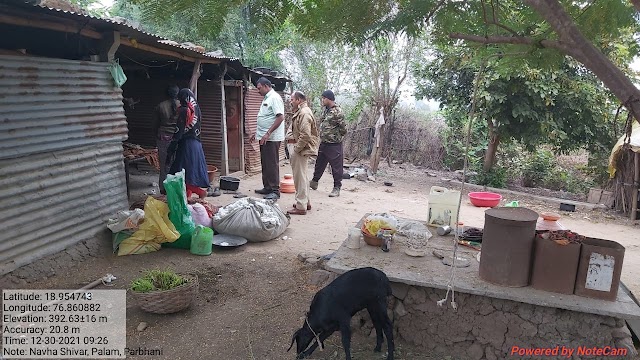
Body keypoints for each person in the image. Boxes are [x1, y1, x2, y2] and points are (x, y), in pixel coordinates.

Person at [167, 88, 209, 199]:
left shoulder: (184, 110)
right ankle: (190, 195)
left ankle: (198, 192)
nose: (179, 101)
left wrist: (172, 147)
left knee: (182, 172)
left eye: (179, 98)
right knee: (189, 173)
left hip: (187, 145)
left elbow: (179, 130)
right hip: (196, 144)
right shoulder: (196, 109)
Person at [286, 91, 319, 215]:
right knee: (303, 177)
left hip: (299, 149)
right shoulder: (302, 111)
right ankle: (305, 202)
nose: (291, 101)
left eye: (292, 99)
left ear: (299, 100)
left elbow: (305, 134)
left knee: (299, 177)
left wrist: (296, 149)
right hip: (298, 147)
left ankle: (301, 206)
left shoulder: (304, 113)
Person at [251, 77, 285, 200]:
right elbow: (265, 118)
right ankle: (267, 187)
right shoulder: (267, 98)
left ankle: (275, 190)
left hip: (272, 138)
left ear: (266, 86)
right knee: (265, 163)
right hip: (264, 137)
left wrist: (268, 133)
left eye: (259, 88)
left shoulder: (274, 98)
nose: (258, 91)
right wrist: (257, 133)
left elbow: (280, 117)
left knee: (271, 163)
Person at [310, 90, 346, 197]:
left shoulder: (338, 112)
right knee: (319, 164)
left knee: (336, 167)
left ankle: (336, 188)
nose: (322, 100)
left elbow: (344, 128)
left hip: (334, 144)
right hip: (324, 142)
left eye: (323, 98)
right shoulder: (325, 110)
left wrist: (335, 137)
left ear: (328, 98)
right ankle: (314, 182)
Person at [152, 85, 179, 194]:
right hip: (177, 138)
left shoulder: (160, 106)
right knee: (176, 163)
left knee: (164, 165)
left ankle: (163, 190)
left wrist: (156, 135)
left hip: (163, 138)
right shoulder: (181, 105)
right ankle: (176, 189)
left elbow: (155, 124)